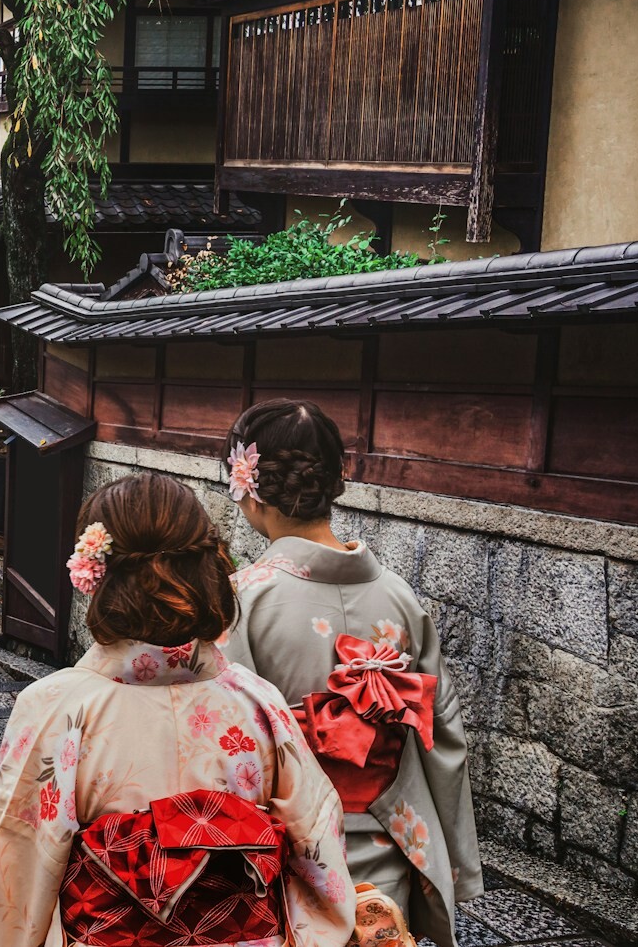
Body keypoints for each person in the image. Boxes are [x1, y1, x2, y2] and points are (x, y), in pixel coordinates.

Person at [0, 473, 355, 947]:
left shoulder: (57, 708)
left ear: (97, 572)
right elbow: (317, 844)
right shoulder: (259, 702)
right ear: (206, 566)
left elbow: (16, 860)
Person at [218, 399, 482, 947]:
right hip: (390, 842)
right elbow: (445, 740)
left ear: (250, 485)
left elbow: (229, 743)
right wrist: (455, 862)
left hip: (286, 849)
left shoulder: (245, 601)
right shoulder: (402, 599)